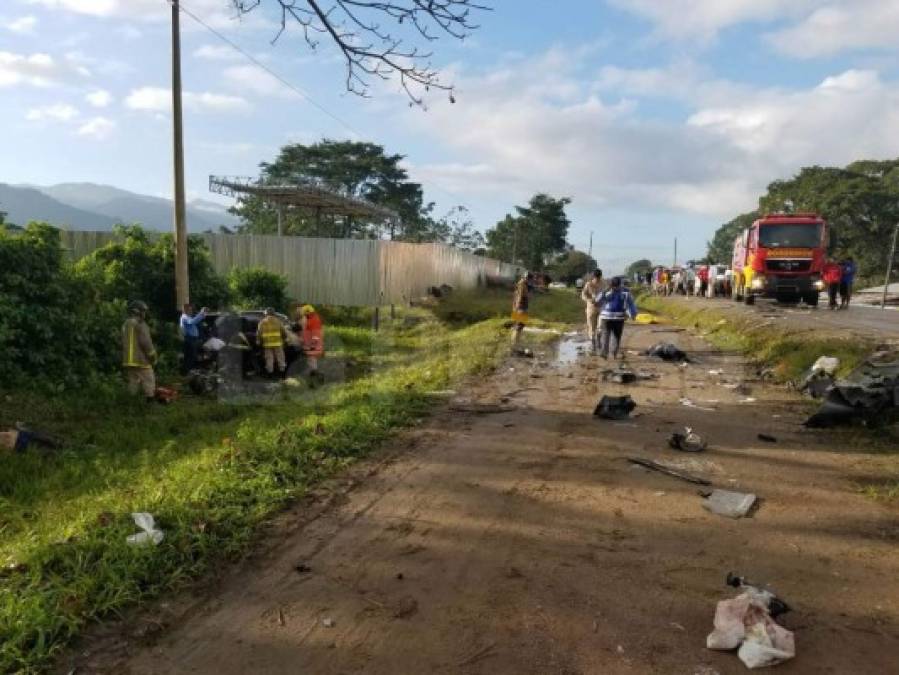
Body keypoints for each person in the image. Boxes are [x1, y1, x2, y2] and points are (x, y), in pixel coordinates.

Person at [595, 276, 638, 359]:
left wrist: (604, 292)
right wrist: (633, 314)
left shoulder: (606, 291)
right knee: (616, 335)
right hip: (619, 317)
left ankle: (604, 353)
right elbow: (631, 304)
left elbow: (597, 300)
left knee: (605, 334)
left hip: (606, 317)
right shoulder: (625, 292)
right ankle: (614, 352)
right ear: (620, 284)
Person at [122, 300, 157, 400]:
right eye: (143, 311)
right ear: (138, 312)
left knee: (133, 381)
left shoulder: (125, 324)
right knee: (149, 379)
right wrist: (153, 357)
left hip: (128, 360)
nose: (144, 314)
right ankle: (150, 402)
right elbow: (146, 343)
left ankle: (131, 402)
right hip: (141, 360)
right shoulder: (140, 324)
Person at [257, 307, 287, 375]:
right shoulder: (278, 321)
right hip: (277, 343)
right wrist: (285, 338)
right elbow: (283, 331)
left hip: (267, 344)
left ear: (266, 314)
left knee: (269, 359)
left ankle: (270, 373)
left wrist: (258, 341)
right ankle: (282, 373)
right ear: (274, 314)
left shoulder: (262, 322)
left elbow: (259, 333)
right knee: (280, 358)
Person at [179, 303, 208, 374]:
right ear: (186, 310)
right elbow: (192, 322)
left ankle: (188, 371)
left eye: (191, 310)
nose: (191, 311)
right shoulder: (184, 317)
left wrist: (203, 314)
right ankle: (186, 372)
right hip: (189, 339)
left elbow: (196, 320)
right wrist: (201, 313)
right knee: (190, 356)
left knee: (192, 355)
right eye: (190, 310)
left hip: (193, 339)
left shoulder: (188, 317)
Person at [298, 304, 324, 376]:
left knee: (311, 357)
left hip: (313, 342)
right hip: (312, 342)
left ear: (308, 313)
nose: (304, 316)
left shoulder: (313, 320)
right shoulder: (313, 318)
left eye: (305, 314)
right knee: (311, 358)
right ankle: (313, 371)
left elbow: (315, 333)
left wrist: (312, 344)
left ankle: (314, 372)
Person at [580, 269, 603, 350]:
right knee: (591, 327)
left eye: (598, 278)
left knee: (600, 326)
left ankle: (599, 340)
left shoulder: (603, 284)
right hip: (591, 308)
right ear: (593, 277)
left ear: (600, 276)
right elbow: (583, 295)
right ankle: (593, 342)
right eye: (596, 278)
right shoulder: (588, 284)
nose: (597, 279)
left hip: (601, 308)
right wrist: (589, 300)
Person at [511, 272, 532, 347]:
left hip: (518, 306)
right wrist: (517, 308)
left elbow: (516, 295)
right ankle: (515, 343)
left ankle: (515, 342)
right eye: (529, 279)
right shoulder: (522, 284)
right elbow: (520, 296)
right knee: (519, 325)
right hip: (521, 307)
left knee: (517, 325)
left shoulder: (521, 283)